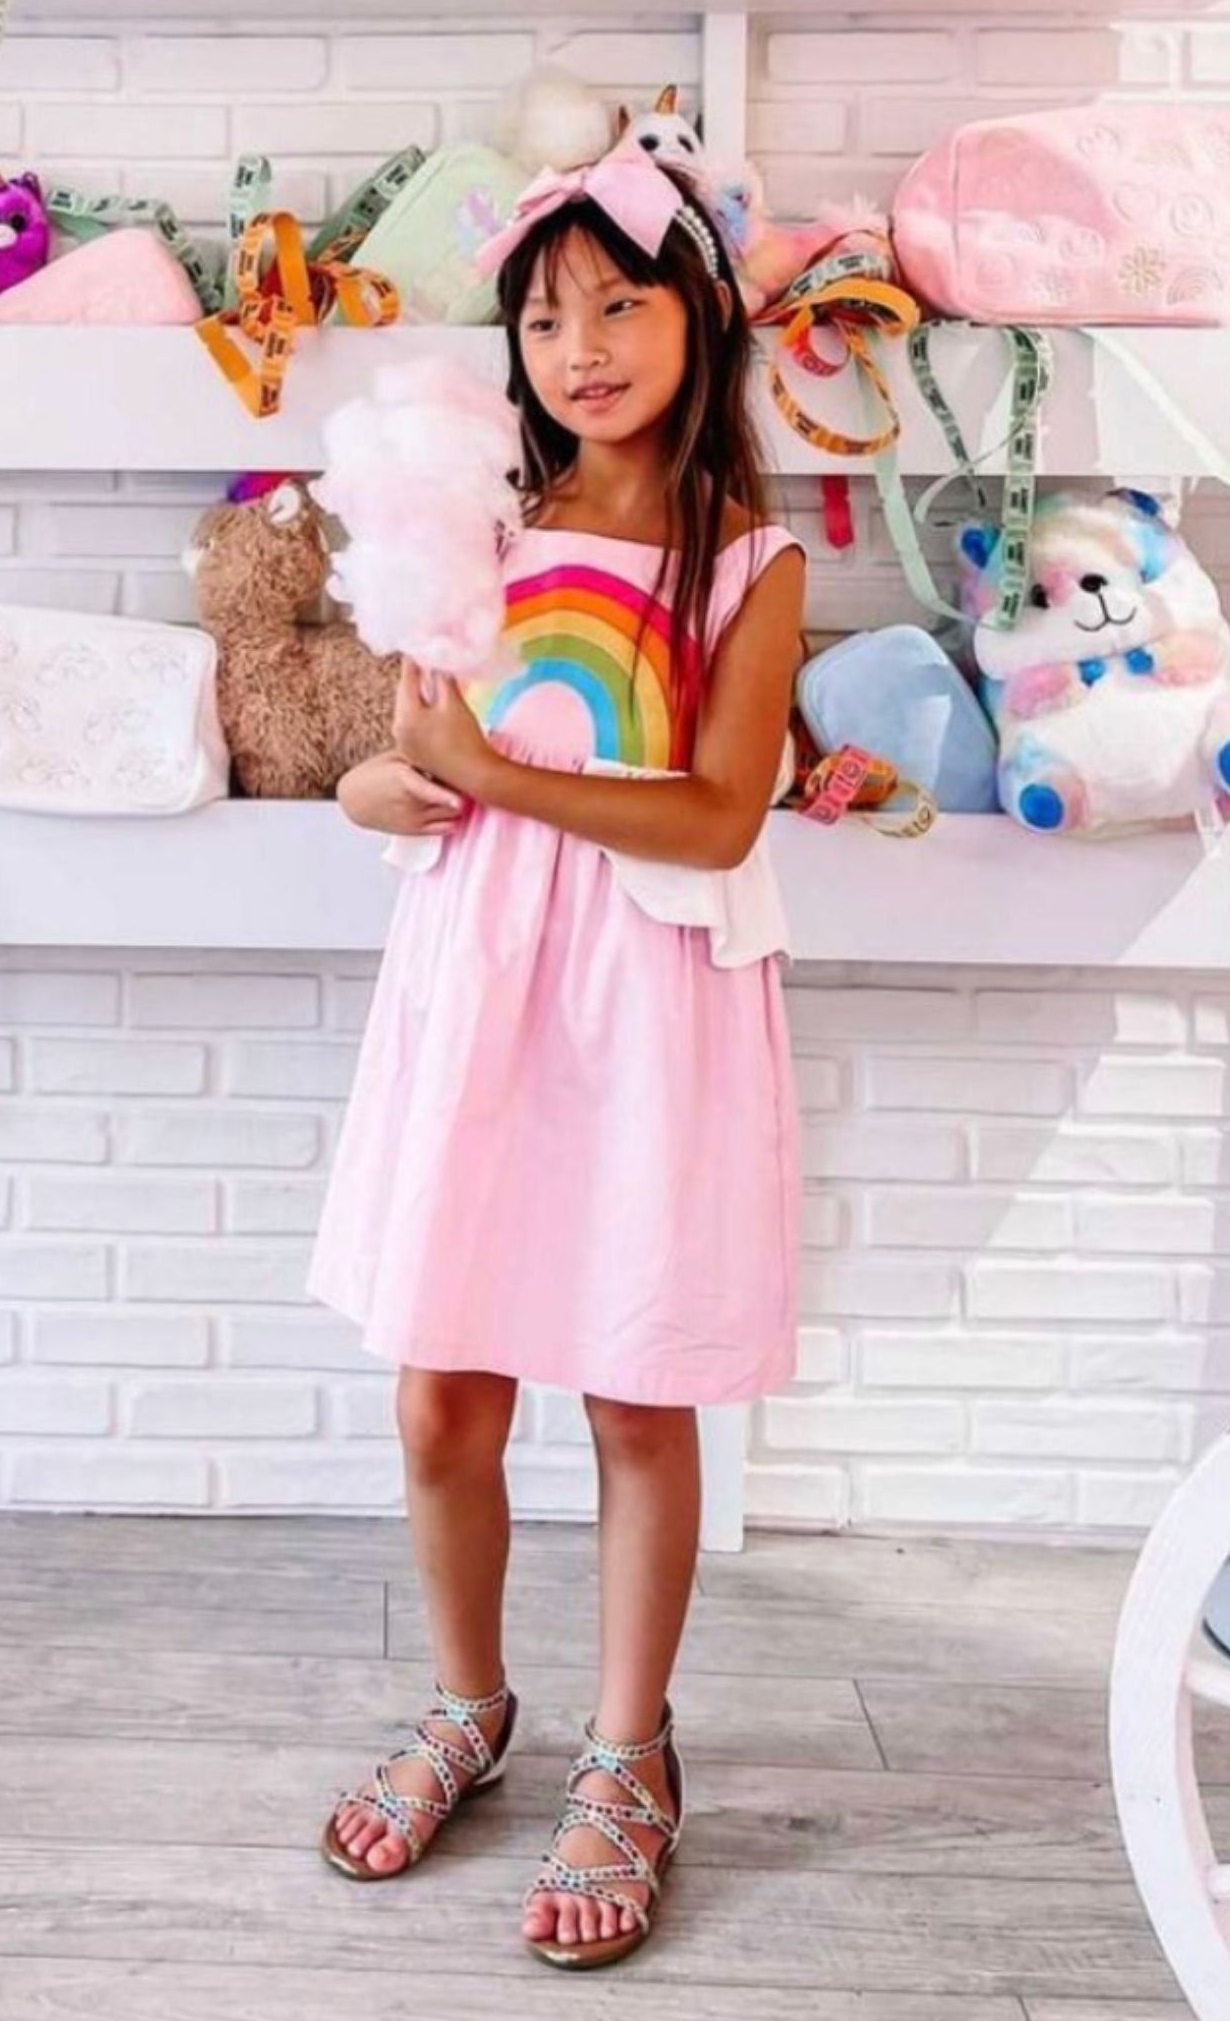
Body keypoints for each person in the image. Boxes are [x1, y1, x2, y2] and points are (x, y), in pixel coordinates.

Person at [309, 152, 807, 1972]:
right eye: (544, 313)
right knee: (445, 1393)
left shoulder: (749, 561)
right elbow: (391, 765)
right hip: (475, 985)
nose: (580, 345)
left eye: (622, 302)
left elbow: (717, 811)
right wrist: (393, 781)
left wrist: (504, 780)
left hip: (645, 1007)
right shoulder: (479, 529)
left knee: (629, 1387)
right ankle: (467, 1701)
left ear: (702, 319)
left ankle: (631, 1750)